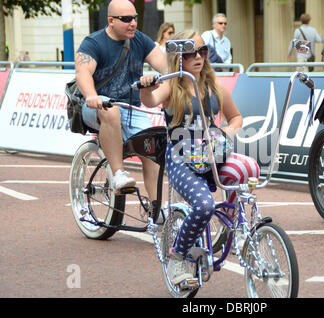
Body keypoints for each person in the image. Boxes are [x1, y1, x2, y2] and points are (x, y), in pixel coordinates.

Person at [140, 30, 260, 285]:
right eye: (191, 52)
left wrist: (225, 132)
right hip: (180, 157)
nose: (198, 57)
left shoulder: (215, 87)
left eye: (203, 51)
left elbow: (236, 118)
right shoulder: (171, 86)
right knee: (204, 206)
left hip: (213, 152)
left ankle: (234, 226)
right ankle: (178, 257)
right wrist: (146, 86)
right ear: (178, 57)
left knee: (250, 167)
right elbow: (150, 100)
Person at [75, 0, 166, 216]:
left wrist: (166, 76)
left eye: (134, 18)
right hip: (95, 106)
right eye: (126, 19)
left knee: (152, 151)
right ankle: (118, 174)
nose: (133, 23)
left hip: (131, 107)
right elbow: (83, 73)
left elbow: (166, 65)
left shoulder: (140, 40)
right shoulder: (93, 43)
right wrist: (91, 96)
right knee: (111, 110)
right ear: (111, 21)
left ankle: (157, 210)